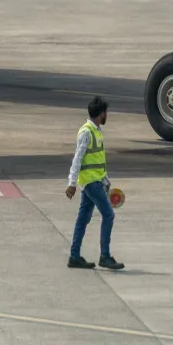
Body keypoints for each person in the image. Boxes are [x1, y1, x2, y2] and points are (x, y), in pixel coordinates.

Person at [65, 96, 123, 270]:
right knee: (109, 215)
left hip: (95, 182)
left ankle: (74, 257)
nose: (107, 116)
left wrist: (105, 180)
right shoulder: (86, 132)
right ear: (101, 114)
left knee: (83, 219)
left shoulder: (96, 131)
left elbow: (97, 161)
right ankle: (105, 256)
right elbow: (78, 158)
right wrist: (71, 183)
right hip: (91, 183)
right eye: (106, 112)